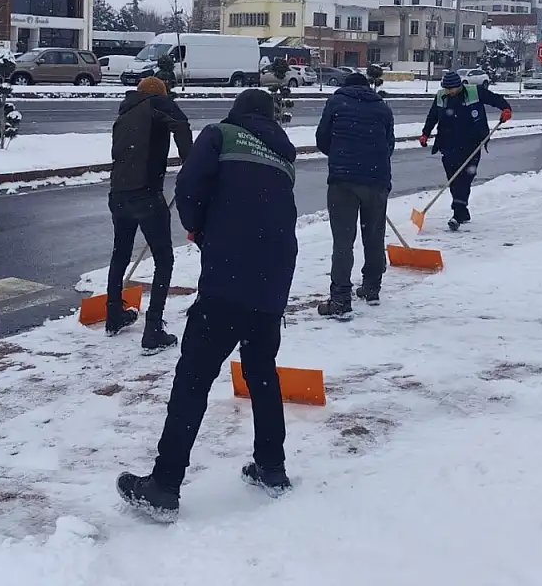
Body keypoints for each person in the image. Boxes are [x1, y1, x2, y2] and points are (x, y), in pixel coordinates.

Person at [117, 88, 298, 522]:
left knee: (193, 379)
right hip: (273, 282)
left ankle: (163, 485)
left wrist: (198, 228)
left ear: (236, 111)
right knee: (262, 373)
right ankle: (271, 468)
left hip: (228, 280)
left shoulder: (220, 135)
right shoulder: (284, 156)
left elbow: (189, 187)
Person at [106, 76, 194, 351]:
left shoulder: (126, 112)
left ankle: (113, 315)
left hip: (117, 194)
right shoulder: (158, 103)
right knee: (164, 259)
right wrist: (190, 165)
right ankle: (153, 329)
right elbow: (182, 125)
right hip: (145, 194)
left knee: (120, 252)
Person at [315, 71, 395, 317]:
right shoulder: (382, 107)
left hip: (343, 181)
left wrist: (342, 157)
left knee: (342, 241)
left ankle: (340, 298)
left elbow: (322, 139)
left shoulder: (337, 102)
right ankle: (372, 287)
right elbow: (389, 144)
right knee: (374, 235)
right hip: (377, 180)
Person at [419, 71, 511, 230]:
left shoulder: (475, 92)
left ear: (460, 85)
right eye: (447, 89)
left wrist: (506, 109)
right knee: (453, 179)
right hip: (448, 143)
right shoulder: (441, 96)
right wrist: (425, 133)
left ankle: (457, 213)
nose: (450, 92)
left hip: (472, 142)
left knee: (465, 177)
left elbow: (495, 99)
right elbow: (433, 116)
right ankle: (463, 210)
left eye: (453, 88)